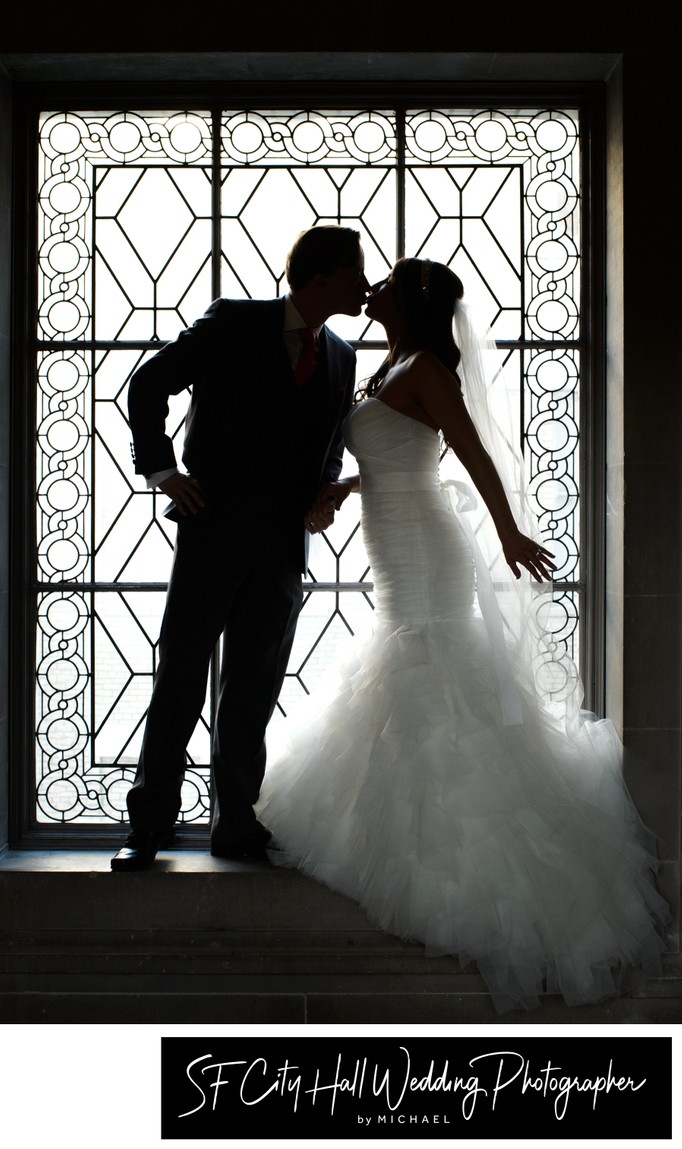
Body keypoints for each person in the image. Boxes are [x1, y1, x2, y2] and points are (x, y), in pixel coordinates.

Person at [257, 256, 669, 1013]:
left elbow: (472, 451)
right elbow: (389, 452)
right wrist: (344, 485)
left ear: (411, 301)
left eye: (388, 281)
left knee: (430, 661)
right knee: (404, 657)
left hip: (427, 542)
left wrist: (509, 531)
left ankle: (450, 850)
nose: (373, 287)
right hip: (390, 535)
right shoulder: (385, 364)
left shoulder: (424, 370)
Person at [111, 226, 369, 871]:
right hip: (213, 533)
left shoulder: (341, 357)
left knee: (253, 686)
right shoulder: (233, 322)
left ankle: (235, 825)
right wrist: (163, 471)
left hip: (284, 549)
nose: (365, 287)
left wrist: (321, 495)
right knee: (179, 679)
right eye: (354, 274)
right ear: (320, 278)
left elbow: (329, 443)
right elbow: (148, 384)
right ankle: (149, 826)